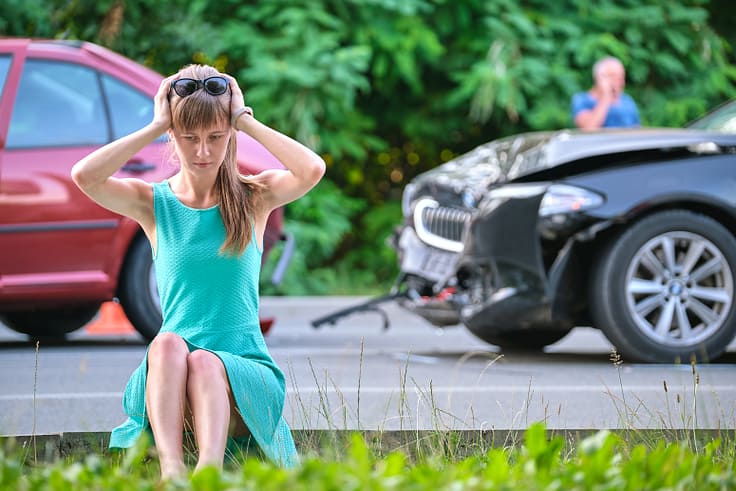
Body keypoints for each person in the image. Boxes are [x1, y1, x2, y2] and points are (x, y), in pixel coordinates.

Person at [71, 64, 325, 479]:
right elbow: (85, 176)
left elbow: (311, 170)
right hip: (170, 382)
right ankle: (171, 472)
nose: (203, 151)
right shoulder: (153, 204)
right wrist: (155, 124)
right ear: (173, 136)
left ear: (229, 136)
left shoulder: (253, 198)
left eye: (215, 138)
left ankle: (207, 476)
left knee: (206, 361)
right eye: (189, 138)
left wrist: (244, 120)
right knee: (168, 343)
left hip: (245, 379)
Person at [571, 56, 640, 130]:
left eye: (621, 77)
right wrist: (606, 96)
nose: (620, 82)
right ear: (599, 77)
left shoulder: (627, 101)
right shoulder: (582, 99)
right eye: (614, 76)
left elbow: (636, 131)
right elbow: (589, 128)